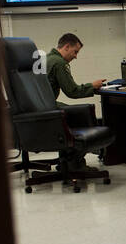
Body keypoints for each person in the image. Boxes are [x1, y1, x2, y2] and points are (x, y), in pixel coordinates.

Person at [44, 33, 106, 173]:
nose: (76, 56)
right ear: (66, 47)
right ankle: (76, 163)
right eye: (75, 52)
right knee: (81, 116)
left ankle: (65, 162)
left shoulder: (47, 59)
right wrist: (93, 85)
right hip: (47, 108)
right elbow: (73, 91)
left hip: (40, 107)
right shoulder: (59, 63)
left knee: (68, 112)